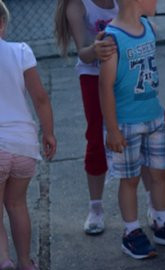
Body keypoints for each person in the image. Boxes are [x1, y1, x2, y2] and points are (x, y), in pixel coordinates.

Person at [100, 0, 165, 259]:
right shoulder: (112, 39)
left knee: (159, 173)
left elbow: (147, 76)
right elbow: (104, 87)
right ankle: (131, 231)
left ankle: (162, 221)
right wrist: (112, 129)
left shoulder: (148, 27)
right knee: (129, 179)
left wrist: (158, 107)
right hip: (125, 123)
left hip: (153, 118)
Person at [0, 0, 56, 270]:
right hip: (23, 145)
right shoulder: (20, 51)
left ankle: (3, 262)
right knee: (17, 204)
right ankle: (25, 265)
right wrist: (48, 132)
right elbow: (41, 98)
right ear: (3, 24)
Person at [54, 0, 117, 235]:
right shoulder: (77, 5)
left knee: (142, 131)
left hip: (125, 73)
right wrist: (95, 50)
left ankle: (157, 207)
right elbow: (83, 50)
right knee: (96, 137)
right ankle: (95, 208)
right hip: (93, 76)